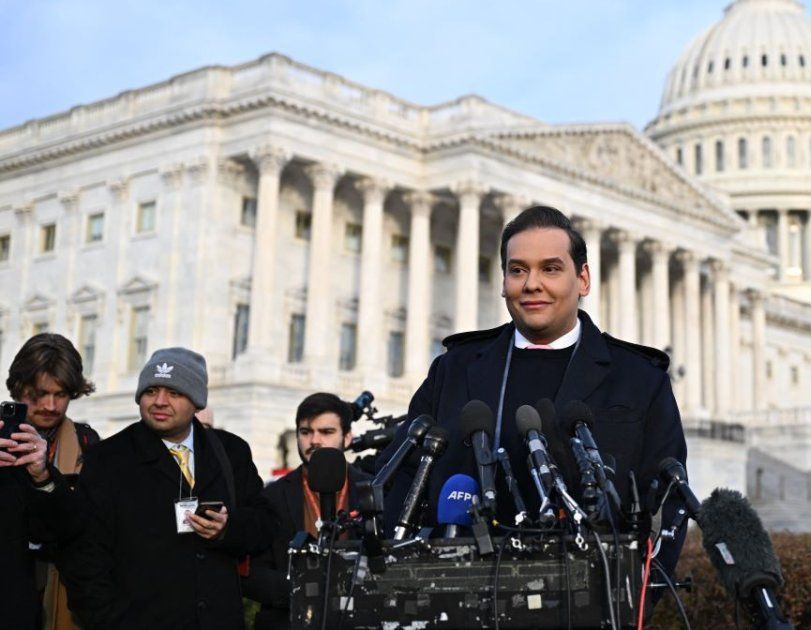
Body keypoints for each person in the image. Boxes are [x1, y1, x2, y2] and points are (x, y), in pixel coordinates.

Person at [381, 205, 689, 573]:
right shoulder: (455, 369)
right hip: (461, 589)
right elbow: (401, 481)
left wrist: (632, 593)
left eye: (550, 269)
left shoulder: (639, 379)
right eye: (518, 270)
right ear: (504, 283)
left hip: (592, 594)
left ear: (583, 279)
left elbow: (668, 502)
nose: (531, 284)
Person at [66, 347, 275, 629]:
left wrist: (228, 529)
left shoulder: (231, 451)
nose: (160, 402)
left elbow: (265, 525)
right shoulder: (107, 460)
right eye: (151, 391)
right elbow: (86, 559)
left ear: (197, 402)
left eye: (174, 393)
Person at [243, 392, 370, 630]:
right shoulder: (272, 496)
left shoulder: (371, 490)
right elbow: (253, 572)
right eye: (306, 432)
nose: (314, 440)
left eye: (326, 432)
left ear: (348, 437)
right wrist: (306, 590)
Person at [4, 333, 100, 629]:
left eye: (60, 395)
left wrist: (44, 477)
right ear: (19, 388)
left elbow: (87, 528)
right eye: (39, 393)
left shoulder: (87, 442)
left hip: (64, 597)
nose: (50, 405)